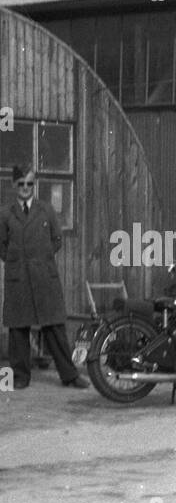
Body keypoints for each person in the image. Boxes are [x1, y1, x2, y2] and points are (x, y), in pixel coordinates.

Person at [0, 165, 88, 390]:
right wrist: (17, 260)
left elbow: (57, 239)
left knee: (54, 326)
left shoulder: (46, 210)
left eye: (30, 183)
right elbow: (1, 245)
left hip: (44, 277)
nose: (26, 188)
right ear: (14, 186)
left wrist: (41, 258)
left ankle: (69, 375)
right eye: (21, 184)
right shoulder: (6, 214)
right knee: (18, 328)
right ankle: (20, 376)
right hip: (18, 277)